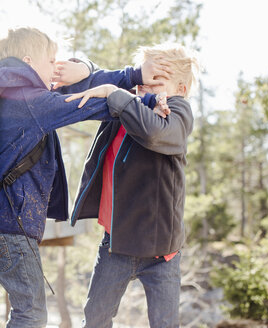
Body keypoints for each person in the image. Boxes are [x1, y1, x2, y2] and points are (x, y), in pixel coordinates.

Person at [0, 27, 171, 328]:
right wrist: (143, 103)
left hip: (5, 223)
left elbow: (80, 89)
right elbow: (88, 103)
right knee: (31, 314)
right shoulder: (29, 100)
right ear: (29, 61)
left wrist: (114, 73)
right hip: (9, 224)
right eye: (50, 61)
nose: (56, 68)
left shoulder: (19, 93)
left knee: (28, 311)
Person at [65, 43, 199, 328]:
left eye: (157, 81)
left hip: (161, 252)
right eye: (143, 78)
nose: (145, 86)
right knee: (95, 319)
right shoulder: (124, 106)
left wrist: (117, 95)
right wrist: (87, 69)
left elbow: (155, 134)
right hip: (117, 243)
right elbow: (87, 89)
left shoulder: (177, 112)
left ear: (181, 90)